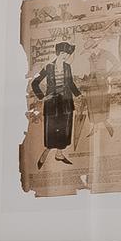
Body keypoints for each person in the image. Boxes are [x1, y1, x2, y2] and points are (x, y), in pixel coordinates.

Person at [29, 40, 79, 170]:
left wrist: (78, 95)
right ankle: (45, 153)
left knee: (64, 129)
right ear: (59, 53)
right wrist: (42, 97)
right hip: (52, 103)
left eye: (67, 54)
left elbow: (71, 83)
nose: (66, 56)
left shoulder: (67, 67)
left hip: (66, 102)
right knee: (51, 129)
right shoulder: (48, 67)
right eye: (64, 54)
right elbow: (35, 83)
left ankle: (59, 154)